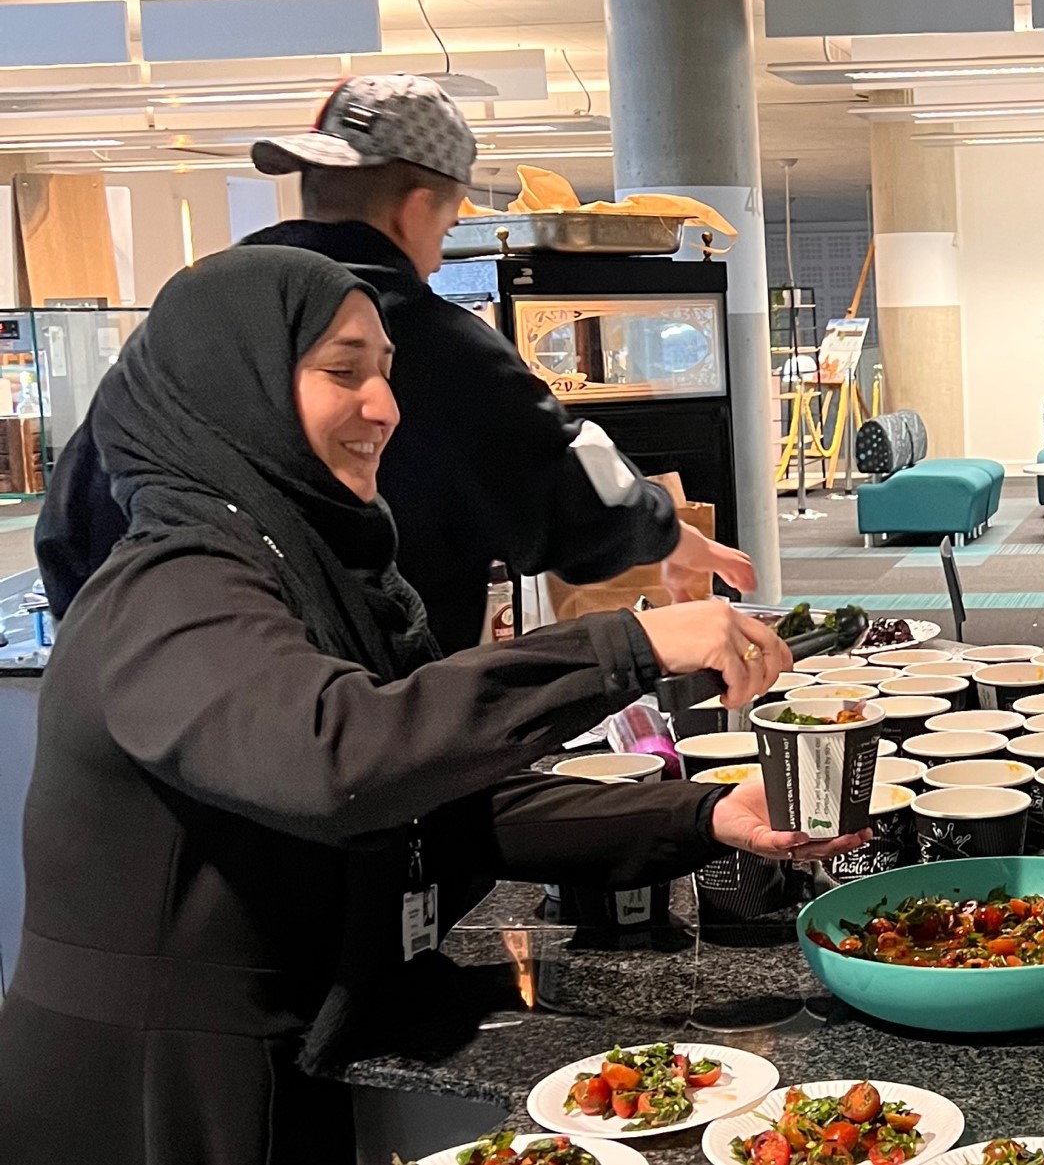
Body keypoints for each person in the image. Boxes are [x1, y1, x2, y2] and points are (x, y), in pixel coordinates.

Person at [0, 247, 864, 1161]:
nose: (384, 406)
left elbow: (442, 803)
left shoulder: (308, 569)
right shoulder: (170, 583)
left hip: (278, 1045)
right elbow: (341, 759)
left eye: (385, 371)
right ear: (231, 387)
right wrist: (630, 644)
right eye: (343, 371)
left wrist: (704, 812)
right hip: (150, 1090)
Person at [35, 74, 755, 656]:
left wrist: (122, 677)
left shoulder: (182, 328)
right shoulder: (430, 344)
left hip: (168, 727)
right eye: (444, 228)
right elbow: (564, 494)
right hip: (366, 734)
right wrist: (660, 528)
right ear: (416, 211)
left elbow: (67, 526)